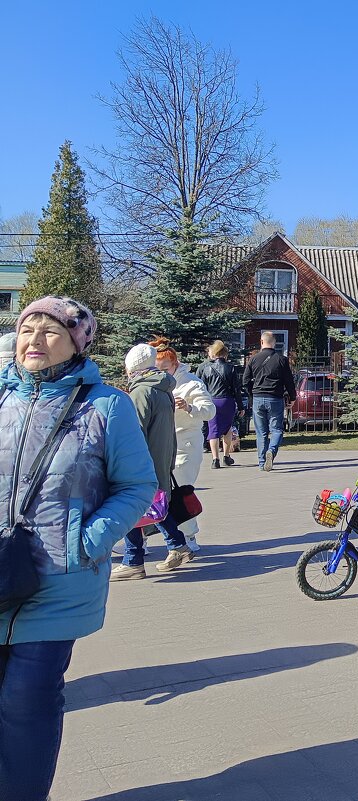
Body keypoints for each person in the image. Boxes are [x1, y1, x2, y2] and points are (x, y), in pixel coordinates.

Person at [0, 296, 157, 801]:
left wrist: (85, 543)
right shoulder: (2, 400)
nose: (35, 341)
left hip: (57, 583)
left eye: (50, 331)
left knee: (27, 702)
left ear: (77, 341)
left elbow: (137, 486)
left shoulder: (105, 405)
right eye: (28, 330)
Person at [112, 345, 194, 580]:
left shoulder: (141, 392)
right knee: (149, 504)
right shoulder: (162, 388)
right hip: (159, 456)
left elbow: (134, 432)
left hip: (140, 460)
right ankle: (175, 545)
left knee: (132, 504)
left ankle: (134, 559)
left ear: (132, 368)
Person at [152, 337, 215, 554]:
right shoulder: (154, 382)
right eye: (157, 369)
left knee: (180, 491)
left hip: (186, 444)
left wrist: (189, 407)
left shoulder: (191, 383)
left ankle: (188, 536)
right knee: (156, 491)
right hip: (161, 443)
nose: (162, 373)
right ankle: (144, 536)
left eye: (166, 369)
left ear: (175, 364)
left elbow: (209, 411)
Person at [243, 332, 296, 471]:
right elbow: (289, 381)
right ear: (274, 343)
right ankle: (271, 451)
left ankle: (261, 463)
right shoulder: (281, 359)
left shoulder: (253, 359)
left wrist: (251, 394)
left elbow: (245, 380)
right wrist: (292, 397)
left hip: (258, 398)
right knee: (277, 429)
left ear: (261, 342)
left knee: (261, 432)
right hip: (275, 398)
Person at [197, 340, 245, 469]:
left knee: (213, 429)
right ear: (225, 354)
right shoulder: (231, 368)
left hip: (212, 401)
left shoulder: (206, 368)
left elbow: (202, 387)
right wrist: (240, 406)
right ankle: (226, 456)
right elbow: (236, 389)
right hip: (227, 401)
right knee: (227, 429)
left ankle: (215, 459)